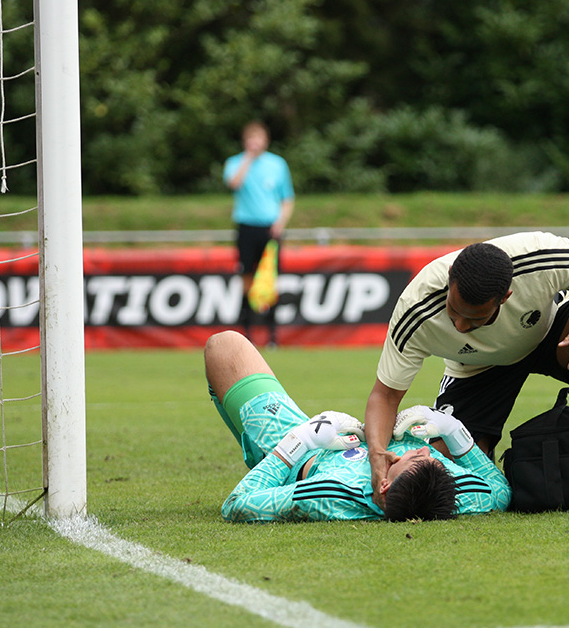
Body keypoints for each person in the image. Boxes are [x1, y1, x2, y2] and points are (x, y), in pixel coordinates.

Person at [364, 231, 569, 513]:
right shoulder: (415, 308)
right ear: (451, 276)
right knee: (442, 469)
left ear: (505, 297)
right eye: (454, 311)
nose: (461, 327)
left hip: (552, 336)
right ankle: (483, 448)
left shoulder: (539, 255)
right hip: (477, 368)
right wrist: (377, 454)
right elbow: (385, 395)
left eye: (475, 318)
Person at [204, 330, 511, 522]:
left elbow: (238, 504)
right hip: (332, 435)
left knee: (225, 346)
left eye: (415, 458)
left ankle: (258, 449)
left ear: (385, 487)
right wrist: (452, 430)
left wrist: (300, 439)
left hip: (301, 452)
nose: (423, 451)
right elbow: (500, 491)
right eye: (433, 457)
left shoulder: (329, 495)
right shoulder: (460, 493)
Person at [223, 121, 295, 345]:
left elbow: (287, 198)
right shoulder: (235, 163)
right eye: (250, 139)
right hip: (246, 226)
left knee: (269, 279)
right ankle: (246, 334)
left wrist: (281, 222)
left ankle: (272, 336)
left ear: (266, 140)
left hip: (270, 228)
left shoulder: (277, 164)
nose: (255, 143)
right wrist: (247, 160)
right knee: (246, 278)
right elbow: (233, 184)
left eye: (259, 138)